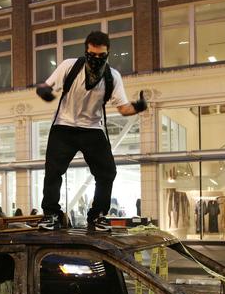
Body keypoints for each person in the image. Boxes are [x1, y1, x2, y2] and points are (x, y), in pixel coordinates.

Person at [35, 30, 147, 232]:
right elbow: (47, 85)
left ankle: (97, 215)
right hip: (64, 126)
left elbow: (122, 108)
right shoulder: (70, 66)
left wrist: (138, 106)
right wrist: (43, 90)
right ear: (86, 51)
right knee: (53, 171)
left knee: (107, 172)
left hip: (92, 129)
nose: (96, 60)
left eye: (101, 56)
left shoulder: (112, 76)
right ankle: (51, 214)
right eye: (92, 55)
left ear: (107, 54)